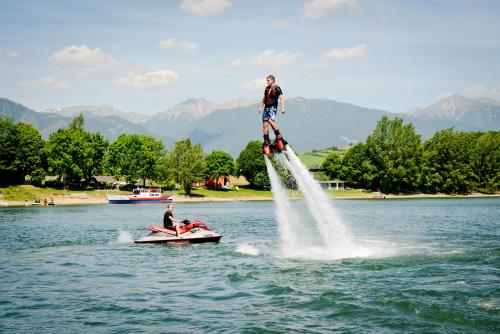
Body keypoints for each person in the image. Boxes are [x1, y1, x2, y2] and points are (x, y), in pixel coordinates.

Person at [259, 74, 286, 147]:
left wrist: (283, 108)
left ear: (272, 81)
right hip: (266, 107)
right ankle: (266, 141)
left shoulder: (277, 88)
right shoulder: (267, 88)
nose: (267, 82)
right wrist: (261, 107)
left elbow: (281, 98)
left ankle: (278, 135)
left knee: (270, 121)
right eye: (267, 80)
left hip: (273, 107)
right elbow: (264, 98)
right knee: (265, 124)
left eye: (268, 80)